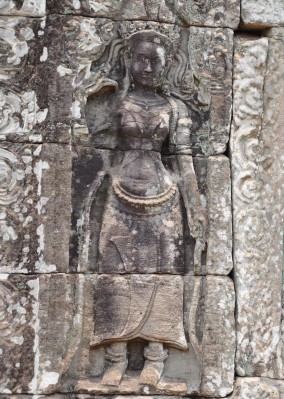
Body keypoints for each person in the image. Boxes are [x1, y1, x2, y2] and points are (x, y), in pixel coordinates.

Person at [89, 29, 205, 387]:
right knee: (113, 274)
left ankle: (156, 358)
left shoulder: (175, 108)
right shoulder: (115, 103)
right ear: (128, 60)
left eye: (156, 60)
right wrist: (93, 95)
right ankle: (115, 358)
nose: (149, 67)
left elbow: (184, 159)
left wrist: (195, 205)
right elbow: (93, 145)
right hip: (121, 193)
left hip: (163, 197)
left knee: (165, 276)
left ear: (168, 64)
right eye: (142, 58)